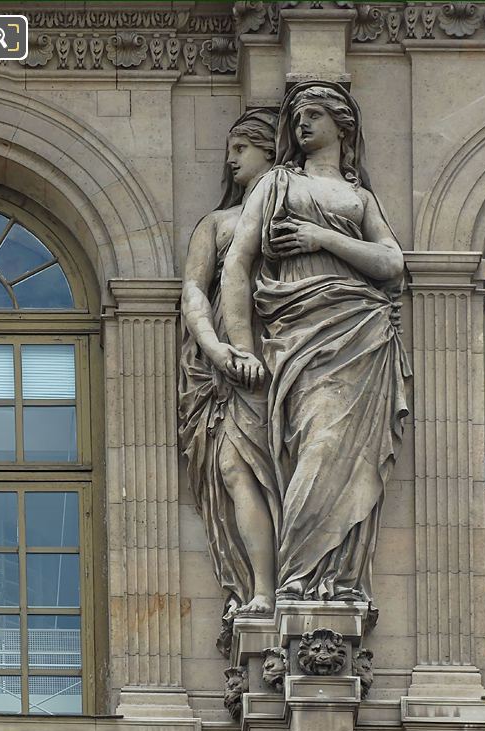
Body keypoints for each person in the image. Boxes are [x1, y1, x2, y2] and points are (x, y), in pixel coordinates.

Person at [220, 82, 411, 607]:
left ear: (342, 125)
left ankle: (327, 580)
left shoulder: (359, 198)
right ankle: (300, 578)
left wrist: (322, 238)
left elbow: (392, 265)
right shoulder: (277, 182)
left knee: (342, 452)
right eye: (298, 117)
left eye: (314, 116)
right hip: (297, 333)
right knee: (315, 444)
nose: (302, 125)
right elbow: (237, 264)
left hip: (361, 331)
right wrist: (241, 348)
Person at [178, 108, 280, 618]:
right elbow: (194, 290)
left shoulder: (300, 211)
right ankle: (264, 589)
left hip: (290, 353)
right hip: (232, 365)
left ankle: (300, 583)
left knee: (289, 470)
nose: (230, 158)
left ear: (270, 148)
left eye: (242, 147)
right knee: (234, 467)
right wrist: (216, 348)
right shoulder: (217, 224)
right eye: (229, 149)